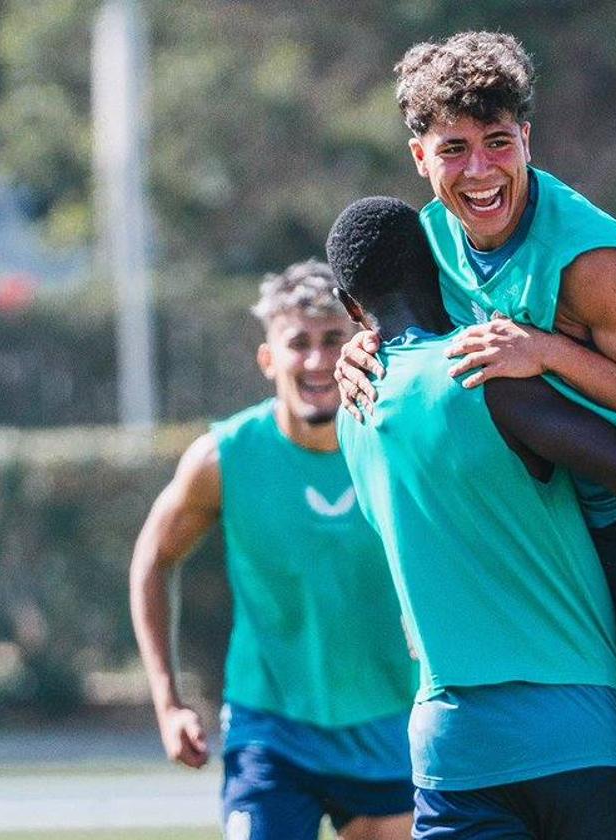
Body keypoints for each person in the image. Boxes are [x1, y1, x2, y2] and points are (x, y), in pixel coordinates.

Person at [334, 31, 616, 839]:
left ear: (526, 139)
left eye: (499, 144)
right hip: (574, 532)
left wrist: (548, 351)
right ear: (420, 157)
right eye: (455, 149)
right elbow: (396, 325)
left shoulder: (588, 259)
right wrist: (359, 349)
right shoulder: (429, 243)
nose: (480, 171)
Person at [330, 195, 616, 839]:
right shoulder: (485, 374)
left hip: (450, 751)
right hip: (575, 729)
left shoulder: (351, 414)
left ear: (350, 308)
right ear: (438, 267)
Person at [128, 260, 417, 840]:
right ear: (268, 359)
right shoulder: (223, 458)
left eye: (333, 340)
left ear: (361, 345)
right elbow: (153, 561)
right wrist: (168, 701)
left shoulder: (401, 445)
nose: (316, 361)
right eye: (298, 344)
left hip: (390, 728)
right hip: (271, 733)